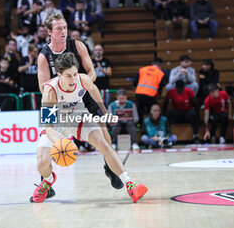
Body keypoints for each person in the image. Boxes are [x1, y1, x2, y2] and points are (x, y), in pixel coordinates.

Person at [31, 52, 148, 203]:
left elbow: (94, 92)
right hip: (58, 125)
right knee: (42, 162)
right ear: (59, 74)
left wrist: (105, 113)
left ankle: (130, 185)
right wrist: (60, 143)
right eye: (68, 76)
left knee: (103, 144)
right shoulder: (50, 91)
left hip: (79, 117)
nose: (73, 79)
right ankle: (48, 180)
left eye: (74, 74)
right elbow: (49, 127)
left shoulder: (82, 79)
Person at [38, 13, 124, 192]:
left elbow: (92, 72)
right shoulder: (44, 56)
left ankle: (111, 169)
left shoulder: (77, 45)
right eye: (59, 28)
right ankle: (45, 183)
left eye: (65, 27)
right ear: (49, 32)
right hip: (59, 100)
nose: (63, 31)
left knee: (104, 134)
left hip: (83, 93)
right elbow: (42, 87)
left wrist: (80, 86)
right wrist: (63, 90)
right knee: (49, 141)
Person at [163, 80, 200, 144]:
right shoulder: (171, 92)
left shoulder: (189, 91)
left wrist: (198, 116)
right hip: (177, 113)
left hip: (187, 113)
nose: (179, 90)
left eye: (181, 89)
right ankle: (168, 134)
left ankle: (195, 136)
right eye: (178, 89)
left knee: (193, 113)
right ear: (176, 87)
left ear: (184, 87)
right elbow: (165, 103)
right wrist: (163, 114)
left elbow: (195, 104)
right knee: (168, 112)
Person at [134, 57, 165, 125]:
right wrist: (158, 96)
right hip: (151, 95)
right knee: (151, 110)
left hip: (139, 94)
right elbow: (160, 87)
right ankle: (151, 125)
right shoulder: (160, 73)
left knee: (140, 109)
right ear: (160, 65)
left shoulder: (142, 69)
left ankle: (139, 125)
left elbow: (135, 82)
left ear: (152, 63)